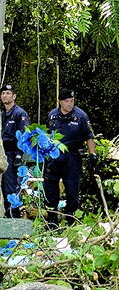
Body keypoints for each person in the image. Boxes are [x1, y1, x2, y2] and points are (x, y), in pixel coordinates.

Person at [44, 89, 95, 226]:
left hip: (72, 156)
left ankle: (70, 220)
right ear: (60, 102)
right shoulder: (52, 115)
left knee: (72, 189)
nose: (70, 104)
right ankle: (52, 218)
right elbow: (47, 135)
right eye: (67, 101)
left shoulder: (81, 116)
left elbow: (89, 137)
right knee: (50, 187)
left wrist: (92, 155)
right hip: (55, 155)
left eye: (72, 101)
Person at [0, 84, 29, 218]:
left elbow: (24, 136)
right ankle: (6, 215)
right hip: (2, 152)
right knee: (2, 187)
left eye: (8, 93)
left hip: (14, 153)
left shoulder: (19, 114)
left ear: (14, 96)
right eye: (3, 93)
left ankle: (14, 217)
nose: (5, 96)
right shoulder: (1, 114)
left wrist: (19, 155)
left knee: (12, 187)